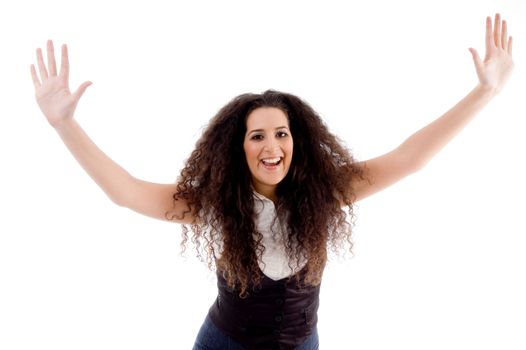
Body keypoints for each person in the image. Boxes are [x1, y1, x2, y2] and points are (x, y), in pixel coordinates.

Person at [30, 13, 514, 350]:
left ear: (295, 141)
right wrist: (63, 124)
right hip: (224, 343)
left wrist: (484, 93)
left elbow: (410, 158)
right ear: (238, 148)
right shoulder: (217, 202)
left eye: (280, 133)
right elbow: (125, 192)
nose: (271, 146)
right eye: (256, 135)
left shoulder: (328, 191)